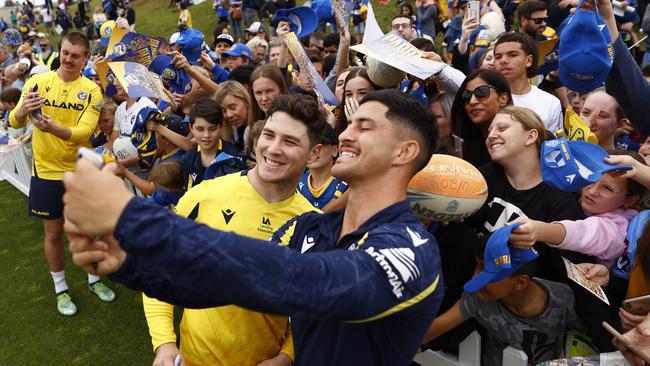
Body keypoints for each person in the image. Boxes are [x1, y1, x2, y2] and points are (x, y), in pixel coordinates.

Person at [64, 89, 444, 365]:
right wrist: (128, 265)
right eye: (349, 124)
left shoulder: (413, 249)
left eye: (364, 126)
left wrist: (133, 218)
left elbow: (310, 282)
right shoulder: (313, 228)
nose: (344, 134)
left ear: (404, 152)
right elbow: (230, 283)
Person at [144, 94, 320, 366]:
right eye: (269, 135)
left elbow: (312, 309)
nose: (273, 148)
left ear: (314, 153)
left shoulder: (313, 225)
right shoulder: (205, 195)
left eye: (290, 141)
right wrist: (165, 345)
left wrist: (286, 356)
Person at [9, 32, 109, 316]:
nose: (68, 59)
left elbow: (85, 132)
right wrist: (22, 111)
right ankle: (61, 289)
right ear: (59, 50)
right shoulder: (37, 82)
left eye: (75, 55)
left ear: (85, 58)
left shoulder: (92, 90)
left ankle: (94, 280)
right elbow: (13, 120)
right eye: (65, 52)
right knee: (53, 233)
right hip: (46, 171)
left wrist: (55, 129)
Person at [424, 225, 581, 366]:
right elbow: (432, 330)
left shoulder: (563, 297)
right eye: (476, 267)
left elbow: (587, 340)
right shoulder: (477, 299)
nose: (474, 278)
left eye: (486, 273)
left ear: (520, 282)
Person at [510, 150, 646, 267]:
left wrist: (540, 230)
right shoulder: (576, 195)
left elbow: (583, 233)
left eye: (607, 188)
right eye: (592, 177)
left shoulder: (615, 230)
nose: (592, 191)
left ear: (630, 200)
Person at [494, 32, 562, 132]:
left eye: (512, 55)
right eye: (498, 57)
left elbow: (553, 144)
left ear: (528, 60)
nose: (503, 60)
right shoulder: (485, 97)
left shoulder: (550, 102)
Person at [450, 68, 513, 167]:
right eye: (466, 96)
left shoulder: (526, 136)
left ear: (503, 98)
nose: (472, 101)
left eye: (481, 92)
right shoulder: (460, 145)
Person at [297, 124, 348, 209]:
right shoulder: (294, 182)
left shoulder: (347, 184)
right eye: (307, 144)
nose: (312, 151)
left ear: (335, 150)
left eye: (319, 145)